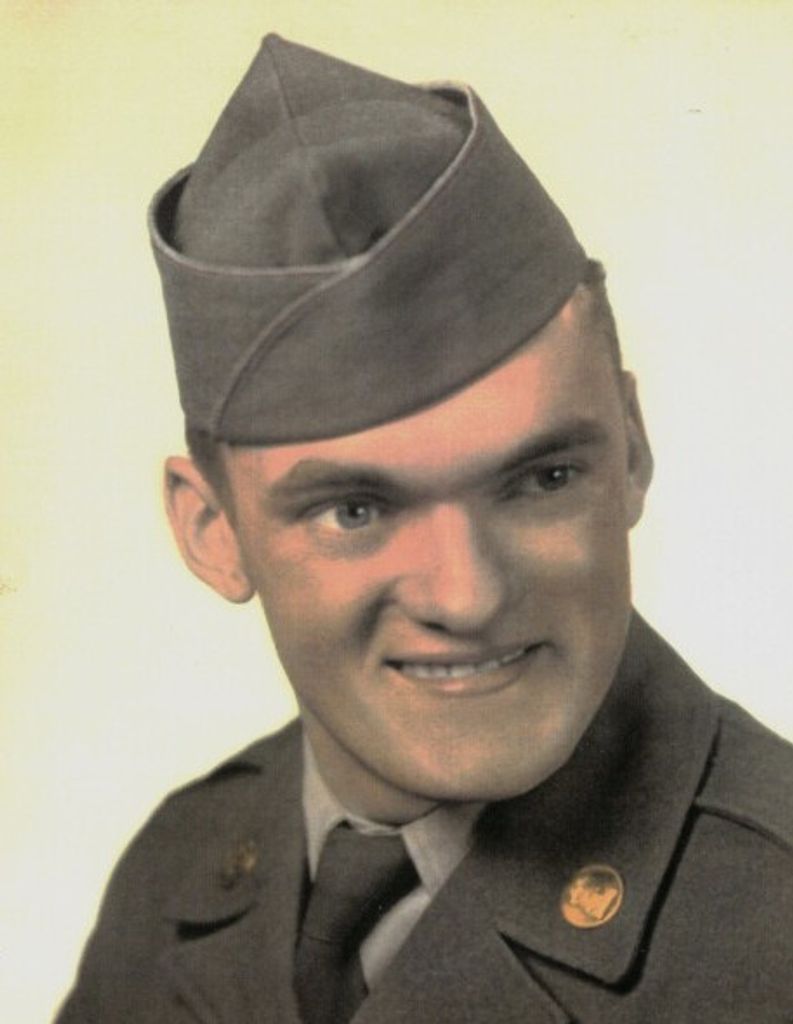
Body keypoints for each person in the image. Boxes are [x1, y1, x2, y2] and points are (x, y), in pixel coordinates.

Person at [56, 34, 793, 1023]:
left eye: (541, 479)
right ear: (212, 530)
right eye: (355, 510)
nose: (466, 593)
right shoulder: (174, 872)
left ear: (631, 449)